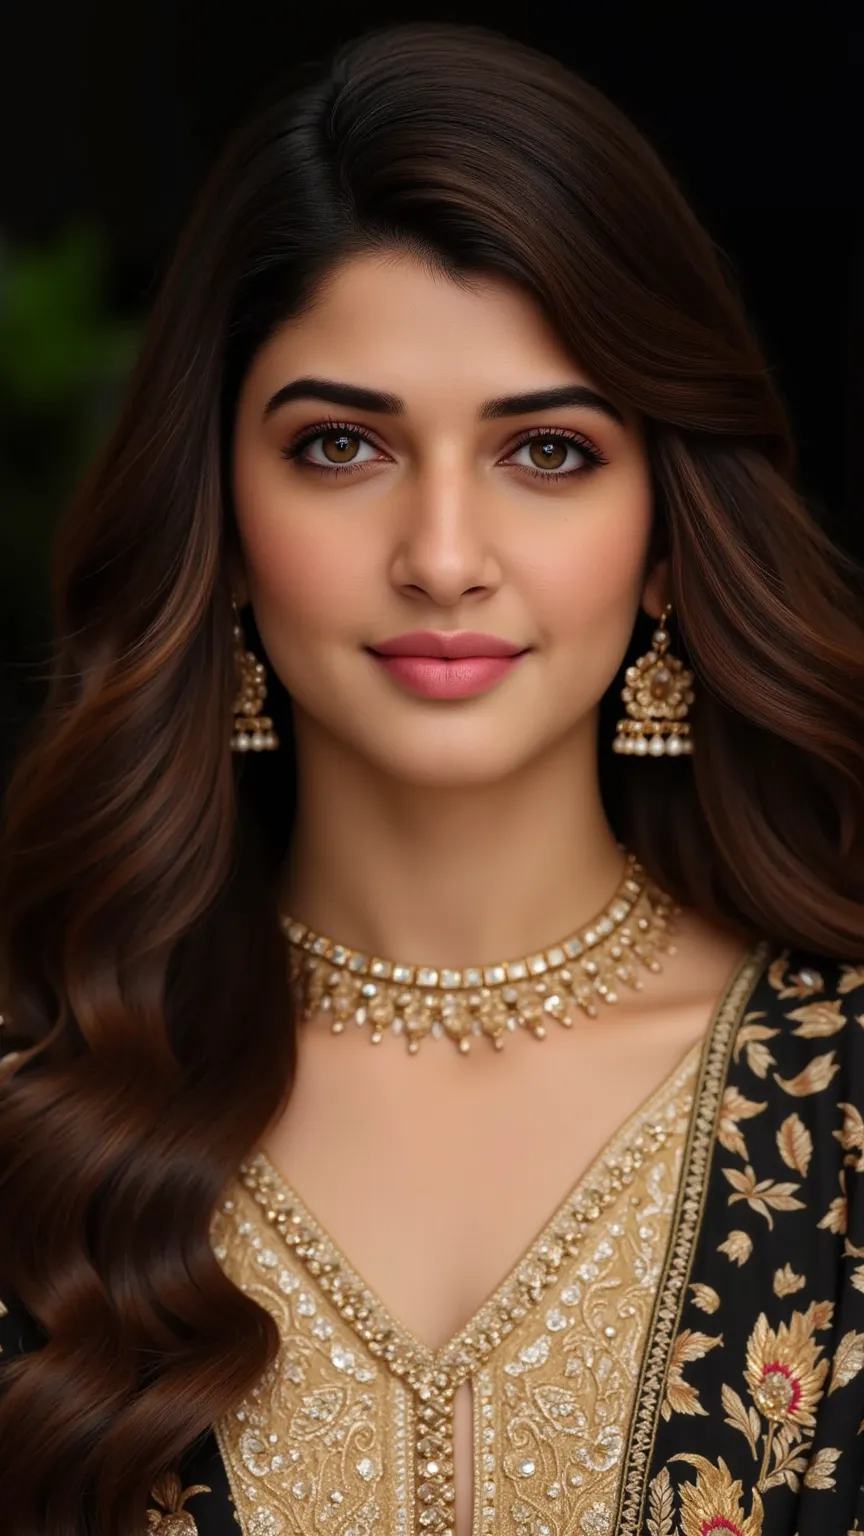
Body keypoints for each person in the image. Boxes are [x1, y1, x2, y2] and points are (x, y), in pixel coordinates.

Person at [1, 18, 863, 1536]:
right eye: (342, 446)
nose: (444, 558)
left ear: (668, 539)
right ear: (221, 519)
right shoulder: (43, 1121)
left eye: (548, 454)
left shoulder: (848, 1106)